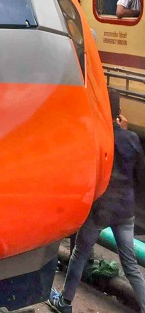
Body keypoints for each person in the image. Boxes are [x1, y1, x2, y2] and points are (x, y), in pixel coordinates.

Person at [49, 87, 145, 313]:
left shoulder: (95, 138)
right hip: (125, 211)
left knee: (79, 255)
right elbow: (140, 176)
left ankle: (65, 303)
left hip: (99, 210)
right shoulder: (131, 138)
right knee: (130, 264)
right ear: (119, 112)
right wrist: (125, 133)